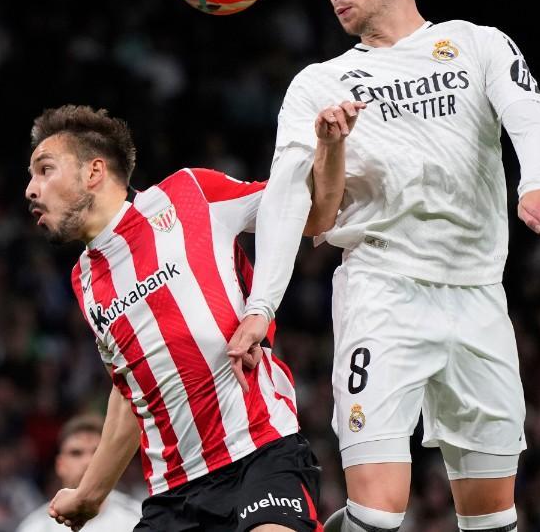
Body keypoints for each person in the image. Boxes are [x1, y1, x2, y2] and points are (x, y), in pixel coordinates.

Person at [227, 0, 540, 532]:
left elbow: (529, 115)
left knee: (493, 519)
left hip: (478, 297)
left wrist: (536, 183)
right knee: (376, 513)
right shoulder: (321, 83)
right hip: (383, 292)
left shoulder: (478, 44)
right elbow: (289, 199)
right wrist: (263, 304)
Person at [24, 105, 321, 532]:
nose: (31, 190)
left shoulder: (188, 194)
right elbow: (130, 393)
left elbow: (305, 211)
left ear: (94, 172)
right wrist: (90, 495)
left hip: (260, 452)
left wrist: (329, 149)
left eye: (45, 170)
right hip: (174, 493)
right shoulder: (84, 280)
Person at [15, 414, 139, 532]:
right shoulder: (36, 527)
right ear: (60, 465)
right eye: (76, 453)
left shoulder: (137, 519)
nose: (88, 461)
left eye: (97, 453)